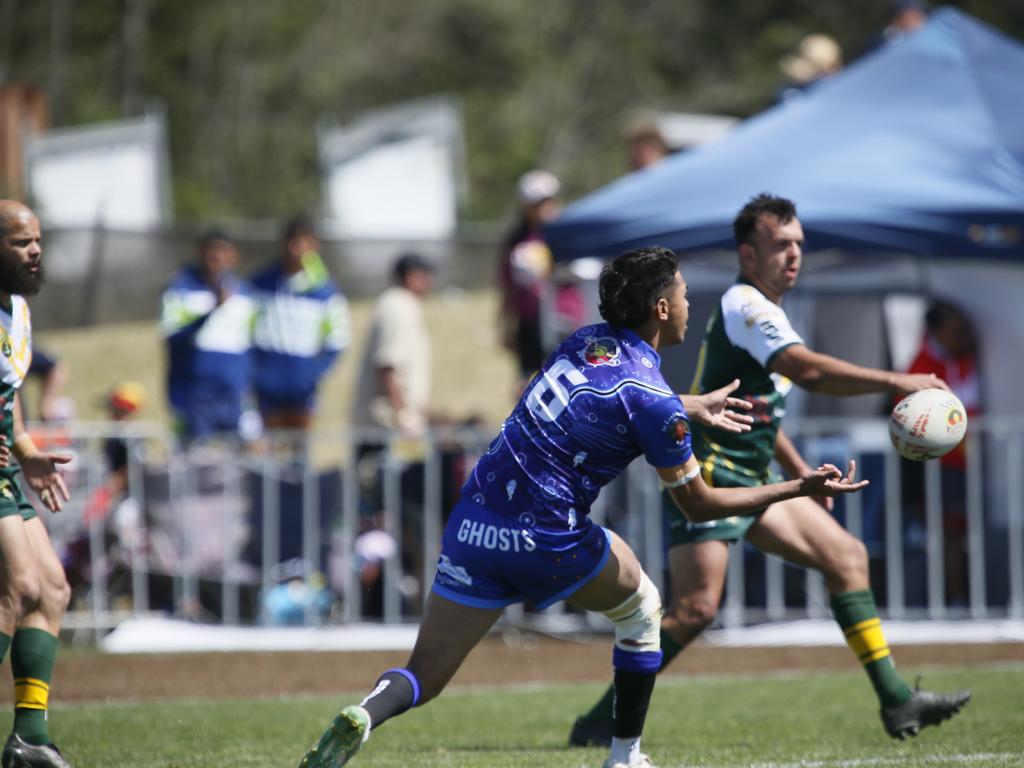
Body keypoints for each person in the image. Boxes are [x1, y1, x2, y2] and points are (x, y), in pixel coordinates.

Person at [297, 245, 869, 768]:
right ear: (661, 309)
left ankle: (363, 717)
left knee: (424, 675)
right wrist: (796, 488)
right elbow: (700, 505)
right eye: (684, 293)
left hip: (474, 522)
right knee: (644, 609)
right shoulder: (655, 405)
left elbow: (620, 396)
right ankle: (625, 757)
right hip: (548, 537)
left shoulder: (584, 341)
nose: (689, 302)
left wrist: (686, 405)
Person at [569, 195, 971, 747]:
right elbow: (803, 371)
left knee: (847, 558)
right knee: (694, 609)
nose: (794, 254)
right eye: (780, 244)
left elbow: (761, 413)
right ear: (748, 253)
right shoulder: (745, 304)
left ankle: (898, 701)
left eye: (799, 244)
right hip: (707, 473)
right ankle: (600, 720)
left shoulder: (770, 312)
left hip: (754, 477)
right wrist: (899, 381)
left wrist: (802, 470)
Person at [0, 200, 75, 768]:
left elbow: (12, 396)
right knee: (18, 587)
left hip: (4, 467)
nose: (35, 251)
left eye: (38, 240)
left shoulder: (18, 311)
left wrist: (27, 451)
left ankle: (28, 738)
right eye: (21, 241)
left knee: (51, 589)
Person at [903, 300, 981, 605]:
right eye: (956, 328)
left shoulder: (967, 357)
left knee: (962, 533)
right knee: (947, 534)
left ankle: (961, 595)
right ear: (937, 331)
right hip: (941, 466)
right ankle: (954, 597)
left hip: (968, 463)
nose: (964, 334)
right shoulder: (921, 366)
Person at [252, 216, 350, 433]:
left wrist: (310, 375)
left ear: (314, 245)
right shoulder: (260, 284)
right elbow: (245, 332)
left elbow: (337, 341)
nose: (296, 249)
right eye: (292, 241)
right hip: (266, 389)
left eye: (303, 242)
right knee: (264, 456)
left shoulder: (325, 292)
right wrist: (257, 373)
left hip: (302, 391)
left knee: (299, 454)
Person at [161, 230, 256, 444]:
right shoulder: (180, 289)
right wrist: (212, 309)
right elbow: (173, 336)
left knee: (246, 460)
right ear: (200, 253)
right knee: (194, 460)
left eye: (223, 251)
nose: (217, 257)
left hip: (234, 393)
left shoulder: (245, 294)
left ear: (233, 256)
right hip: (195, 394)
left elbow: (250, 344)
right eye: (211, 251)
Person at [497, 170, 567, 391]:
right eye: (537, 203)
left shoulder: (567, 236)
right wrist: (505, 324)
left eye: (548, 201)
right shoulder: (516, 242)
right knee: (527, 380)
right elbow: (508, 288)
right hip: (530, 321)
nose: (545, 208)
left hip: (563, 319)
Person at [352, 253, 435, 438]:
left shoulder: (405, 305)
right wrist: (403, 414)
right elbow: (387, 364)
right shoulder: (396, 306)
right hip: (386, 426)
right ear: (411, 277)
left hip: (393, 425)